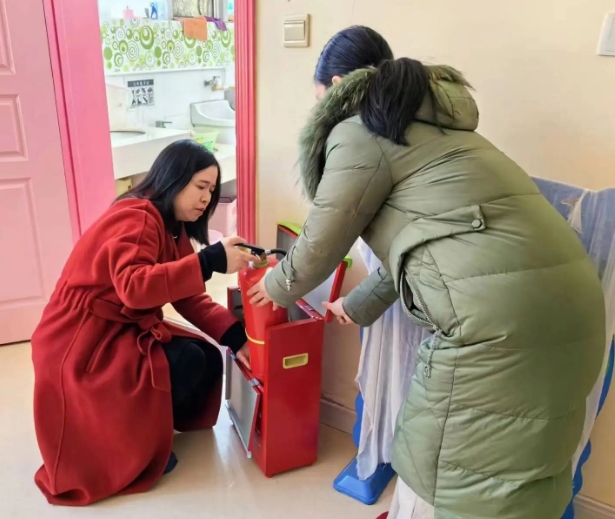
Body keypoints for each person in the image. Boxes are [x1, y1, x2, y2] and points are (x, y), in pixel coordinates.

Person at [248, 26, 606, 519]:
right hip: (578, 309)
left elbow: (318, 245)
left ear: (336, 87)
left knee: (442, 472)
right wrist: (356, 305)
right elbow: (438, 247)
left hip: (496, 326)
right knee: (523, 480)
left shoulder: (358, 130)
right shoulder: (448, 134)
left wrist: (272, 286)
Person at [31, 140, 256, 506]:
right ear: (174, 178)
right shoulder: (136, 216)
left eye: (212, 191)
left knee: (200, 355)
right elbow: (135, 288)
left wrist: (235, 337)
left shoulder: (171, 226)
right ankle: (128, 444)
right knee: (176, 364)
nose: (206, 199)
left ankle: (143, 433)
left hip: (115, 329)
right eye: (200, 187)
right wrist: (208, 262)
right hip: (81, 338)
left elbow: (187, 296)